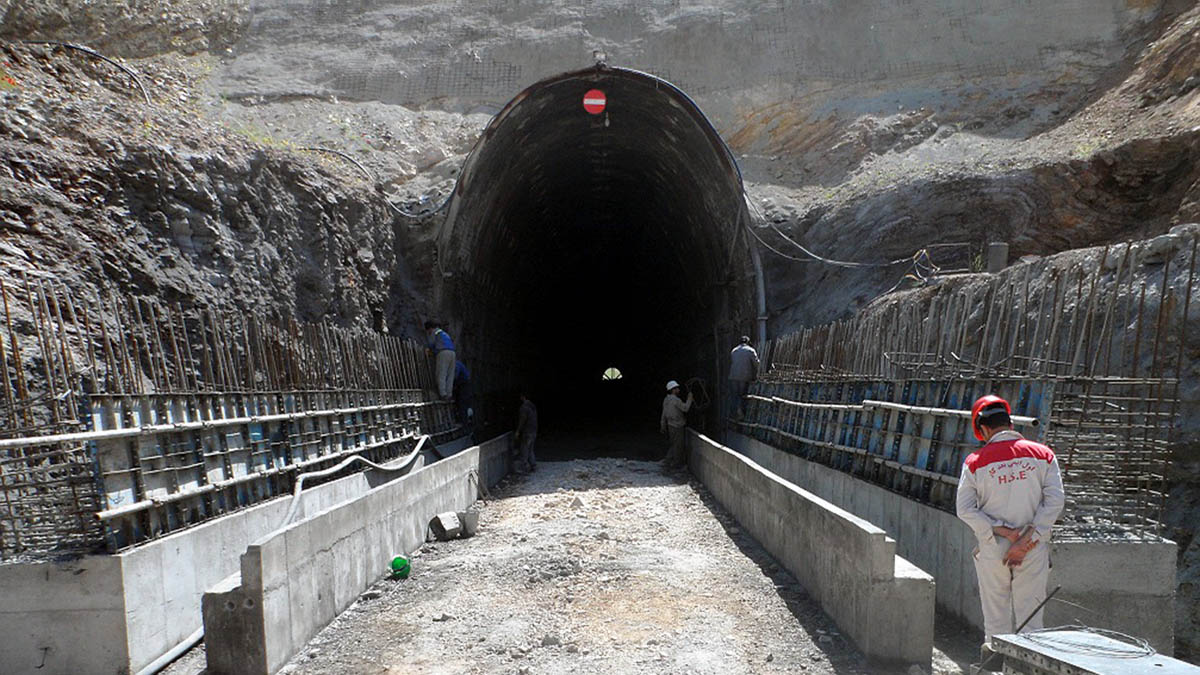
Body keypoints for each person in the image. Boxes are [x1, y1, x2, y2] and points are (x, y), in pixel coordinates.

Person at [956, 395, 1065, 643]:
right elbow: (1055, 501)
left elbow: (964, 509)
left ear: (982, 429)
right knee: (1032, 621)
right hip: (1033, 547)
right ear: (1010, 424)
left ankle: (995, 669)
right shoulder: (1043, 455)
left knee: (996, 620)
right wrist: (1027, 540)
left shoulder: (974, 463)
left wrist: (999, 531)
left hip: (993, 548)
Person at [660, 380, 694, 469]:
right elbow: (685, 408)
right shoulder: (676, 400)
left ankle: (667, 461)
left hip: (670, 425)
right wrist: (690, 398)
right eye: (676, 388)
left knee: (673, 444)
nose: (678, 390)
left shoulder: (666, 399)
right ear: (673, 390)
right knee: (678, 446)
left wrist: (663, 425)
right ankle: (676, 464)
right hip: (678, 426)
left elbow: (664, 413)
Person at [727, 336, 759, 421]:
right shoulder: (750, 350)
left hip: (733, 376)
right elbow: (756, 364)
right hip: (744, 376)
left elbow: (732, 362)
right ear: (748, 342)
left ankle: (734, 414)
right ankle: (741, 414)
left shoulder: (734, 351)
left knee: (735, 395)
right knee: (742, 395)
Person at [424, 320, 456, 400]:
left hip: (443, 352)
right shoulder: (444, 333)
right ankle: (449, 394)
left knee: (441, 373)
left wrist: (428, 351)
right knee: (450, 375)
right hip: (452, 353)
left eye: (428, 331)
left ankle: (443, 394)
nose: (428, 333)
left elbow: (431, 344)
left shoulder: (435, 333)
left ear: (430, 328)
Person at [514, 392, 537, 474]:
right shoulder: (532, 406)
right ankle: (533, 465)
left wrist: (518, 431)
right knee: (530, 449)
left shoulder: (524, 408)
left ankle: (525, 467)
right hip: (533, 431)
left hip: (527, 431)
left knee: (524, 449)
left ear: (523, 397)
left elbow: (522, 420)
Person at [452, 360, 473, 428]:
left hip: (464, 385)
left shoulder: (456, 365)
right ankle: (464, 421)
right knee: (461, 402)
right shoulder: (458, 363)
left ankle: (464, 422)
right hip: (462, 385)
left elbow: (455, 375)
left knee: (462, 403)